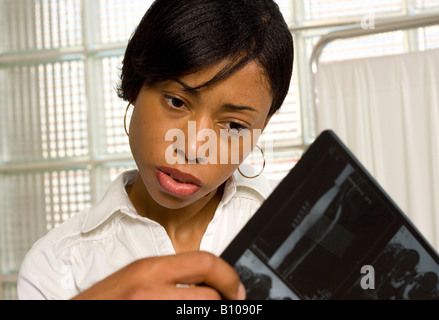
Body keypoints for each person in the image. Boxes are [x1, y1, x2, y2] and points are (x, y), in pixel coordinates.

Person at [17, 0, 294, 300]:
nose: (191, 148)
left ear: (260, 129)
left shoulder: (298, 231)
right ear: (136, 86)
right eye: (176, 102)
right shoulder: (57, 266)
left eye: (234, 126)